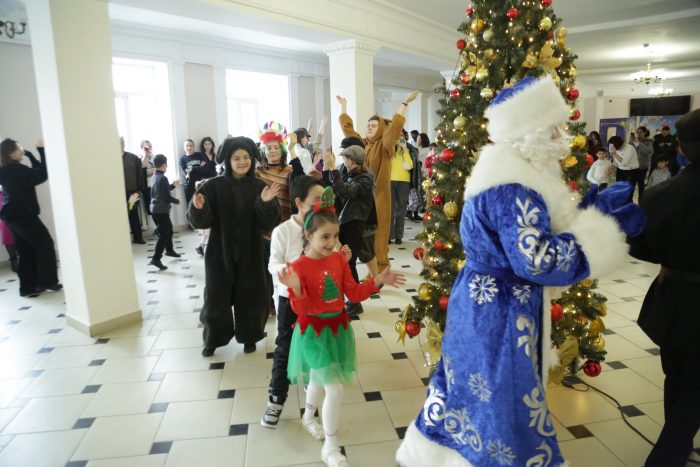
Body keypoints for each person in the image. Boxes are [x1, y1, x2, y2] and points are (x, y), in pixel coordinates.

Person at [396, 76, 645, 466]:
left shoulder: (505, 174)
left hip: (482, 301)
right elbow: (537, 260)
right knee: (503, 405)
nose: (562, 136)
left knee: (470, 392)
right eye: (554, 127)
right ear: (531, 131)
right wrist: (596, 231)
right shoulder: (515, 187)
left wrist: (582, 217)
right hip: (501, 312)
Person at [278, 187, 405, 467]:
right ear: (308, 235)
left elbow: (354, 293)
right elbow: (301, 310)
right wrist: (296, 288)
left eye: (335, 236)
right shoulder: (299, 267)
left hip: (338, 330)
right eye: (325, 236)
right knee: (334, 389)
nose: (332, 242)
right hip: (313, 334)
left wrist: (377, 280)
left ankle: (308, 416)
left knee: (318, 379)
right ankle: (331, 446)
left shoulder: (338, 259)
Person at [628, 109, 700, 467]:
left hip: (672, 300)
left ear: (681, 148)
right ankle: (667, 456)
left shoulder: (659, 195)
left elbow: (641, 248)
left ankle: (678, 449)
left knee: (678, 376)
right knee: (694, 390)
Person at [188, 136, 281, 357]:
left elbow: (270, 223)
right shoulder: (212, 186)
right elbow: (200, 222)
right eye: (237, 158)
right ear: (228, 160)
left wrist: (266, 203)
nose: (242, 162)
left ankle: (250, 336)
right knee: (216, 297)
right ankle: (213, 339)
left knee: (252, 296)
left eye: (246, 157)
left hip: (252, 252)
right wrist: (198, 208)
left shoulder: (260, 187)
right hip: (220, 252)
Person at [261, 175, 325, 429]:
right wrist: (290, 272)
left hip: (317, 301)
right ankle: (276, 400)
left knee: (315, 345)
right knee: (284, 349)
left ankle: (311, 389)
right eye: (316, 200)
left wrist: (341, 253)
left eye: (324, 199)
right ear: (299, 203)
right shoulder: (283, 231)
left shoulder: (323, 226)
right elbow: (273, 263)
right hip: (290, 301)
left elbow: (331, 252)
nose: (322, 205)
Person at [337, 89, 419, 271]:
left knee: (379, 235)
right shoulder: (362, 144)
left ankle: (381, 267)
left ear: (381, 128)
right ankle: (374, 268)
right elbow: (348, 131)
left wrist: (404, 103)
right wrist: (343, 108)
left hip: (379, 199)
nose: (369, 128)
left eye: (374, 125)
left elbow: (394, 129)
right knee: (365, 238)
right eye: (368, 125)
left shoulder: (385, 145)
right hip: (362, 201)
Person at [0, 138, 62, 298]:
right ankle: (48, 283)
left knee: (25, 250)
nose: (21, 149)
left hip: (11, 215)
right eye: (18, 148)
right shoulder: (17, 169)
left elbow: (35, 173)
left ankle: (27, 288)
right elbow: (42, 174)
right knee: (45, 244)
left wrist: (30, 155)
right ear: (10, 153)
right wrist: (41, 151)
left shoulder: (5, 169)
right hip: (23, 215)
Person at [323, 145, 375, 317]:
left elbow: (345, 191)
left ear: (351, 161)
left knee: (349, 262)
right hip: (344, 222)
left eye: (344, 158)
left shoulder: (365, 178)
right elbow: (333, 188)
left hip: (354, 224)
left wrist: (333, 169)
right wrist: (328, 168)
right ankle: (351, 299)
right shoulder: (349, 173)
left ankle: (355, 302)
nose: (342, 161)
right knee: (344, 261)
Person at [148, 154, 182, 271]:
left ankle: (169, 250)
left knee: (168, 230)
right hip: (161, 210)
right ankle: (156, 258)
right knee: (164, 234)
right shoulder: (163, 178)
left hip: (155, 209)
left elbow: (162, 191)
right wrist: (177, 201)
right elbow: (166, 197)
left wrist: (173, 185)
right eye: (166, 165)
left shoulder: (155, 176)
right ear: (164, 165)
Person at [121, 137, 147, 244]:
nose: (120, 145)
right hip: (117, 193)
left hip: (132, 193)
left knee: (133, 213)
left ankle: (138, 238)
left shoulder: (133, 158)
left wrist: (138, 191)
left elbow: (141, 171)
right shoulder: (110, 158)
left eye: (122, 143)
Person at [389, 137, 413, 244]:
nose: (399, 139)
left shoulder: (407, 150)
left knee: (401, 209)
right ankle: (389, 236)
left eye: (401, 137)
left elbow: (409, 166)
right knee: (391, 209)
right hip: (390, 181)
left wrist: (405, 150)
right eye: (397, 137)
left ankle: (399, 236)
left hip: (404, 181)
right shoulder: (389, 149)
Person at [609, 134, 639, 203]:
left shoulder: (629, 148)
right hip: (620, 171)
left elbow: (623, 162)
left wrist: (615, 153)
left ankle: (628, 207)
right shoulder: (616, 149)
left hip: (631, 171)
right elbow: (616, 162)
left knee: (628, 193)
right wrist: (611, 167)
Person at [180, 139, 208, 206]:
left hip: (201, 184)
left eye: (191, 145)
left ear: (194, 147)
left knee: (203, 205)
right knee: (191, 206)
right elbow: (185, 173)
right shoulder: (182, 159)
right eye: (187, 146)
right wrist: (199, 167)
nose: (189, 147)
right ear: (184, 147)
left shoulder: (199, 155)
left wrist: (191, 168)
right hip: (189, 186)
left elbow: (205, 169)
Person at [631, 126, 653, 198]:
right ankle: (629, 201)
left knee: (641, 184)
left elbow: (647, 152)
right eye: (637, 132)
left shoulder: (649, 142)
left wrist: (639, 143)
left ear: (645, 132)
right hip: (633, 166)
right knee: (632, 184)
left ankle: (641, 201)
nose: (638, 134)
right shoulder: (635, 141)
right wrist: (631, 142)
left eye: (640, 132)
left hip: (642, 166)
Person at [0, 191, 18, 272]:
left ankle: (22, 258)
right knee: (6, 229)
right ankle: (14, 259)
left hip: (12, 192)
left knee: (20, 227)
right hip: (2, 196)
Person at [140, 140, 155, 216]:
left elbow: (159, 169)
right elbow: (142, 170)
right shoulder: (140, 158)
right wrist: (146, 155)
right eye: (146, 147)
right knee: (150, 209)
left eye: (150, 146)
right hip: (147, 186)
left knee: (158, 208)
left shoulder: (154, 157)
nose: (148, 148)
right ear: (142, 148)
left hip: (155, 185)